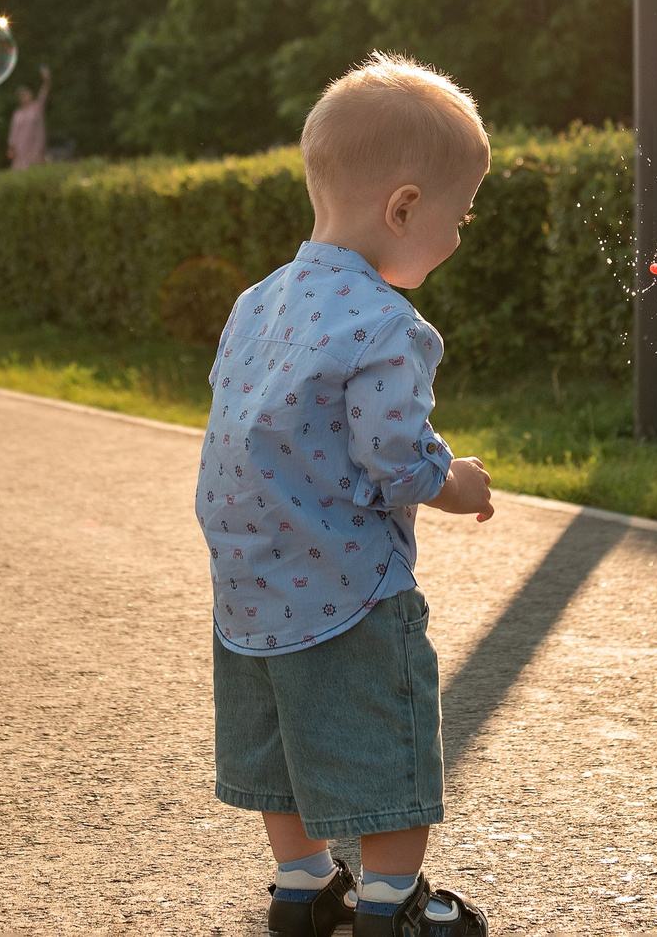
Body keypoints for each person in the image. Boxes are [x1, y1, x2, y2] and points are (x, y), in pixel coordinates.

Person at [197, 54, 497, 937]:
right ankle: (393, 904)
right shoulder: (386, 323)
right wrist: (457, 482)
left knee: (277, 740)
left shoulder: (256, 303)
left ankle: (301, 885)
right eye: (460, 216)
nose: (460, 234)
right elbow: (396, 457)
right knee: (383, 736)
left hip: (247, 583)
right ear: (404, 207)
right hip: (348, 584)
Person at [8, 63, 53, 169]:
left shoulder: (37, 107)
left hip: (35, 144)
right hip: (20, 146)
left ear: (31, 94)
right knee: (19, 168)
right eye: (21, 95)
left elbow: (44, 93)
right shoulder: (17, 113)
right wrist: (11, 148)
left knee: (34, 167)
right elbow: (13, 131)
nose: (23, 97)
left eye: (25, 94)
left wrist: (47, 80)